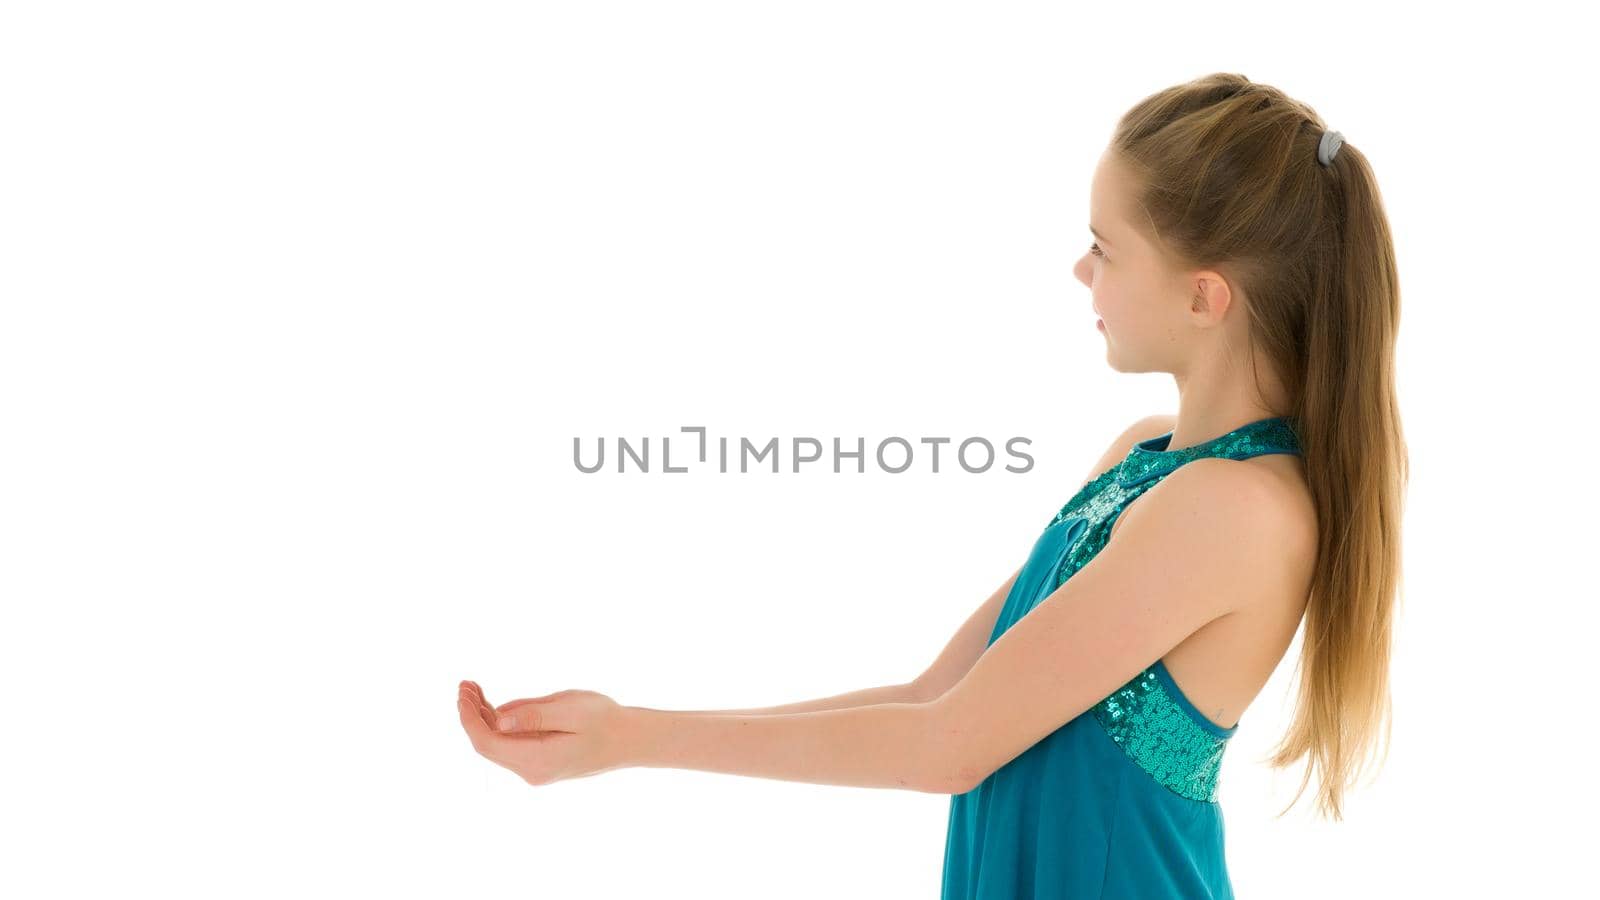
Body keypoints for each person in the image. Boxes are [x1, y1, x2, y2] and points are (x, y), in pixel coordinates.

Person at [457, 72, 1407, 900]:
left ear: (1205, 296)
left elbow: (949, 747)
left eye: (1106, 250)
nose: (1082, 271)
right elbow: (935, 696)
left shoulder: (1235, 511)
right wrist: (625, 728)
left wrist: (632, 742)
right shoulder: (1143, 458)